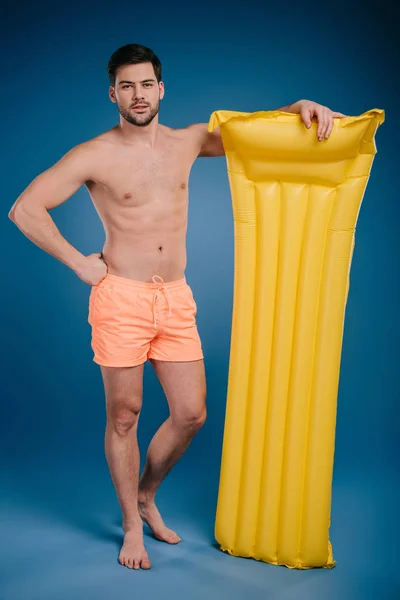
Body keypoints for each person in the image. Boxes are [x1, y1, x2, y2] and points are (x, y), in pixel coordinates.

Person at [8, 43, 347, 571]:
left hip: (176, 298)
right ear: (113, 93)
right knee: (125, 415)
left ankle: (147, 495)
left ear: (160, 89)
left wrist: (298, 106)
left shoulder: (187, 141)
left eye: (147, 84)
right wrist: (79, 264)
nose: (138, 95)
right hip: (122, 297)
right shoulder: (92, 154)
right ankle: (129, 526)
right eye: (127, 86)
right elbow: (24, 209)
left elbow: (255, 134)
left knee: (191, 414)